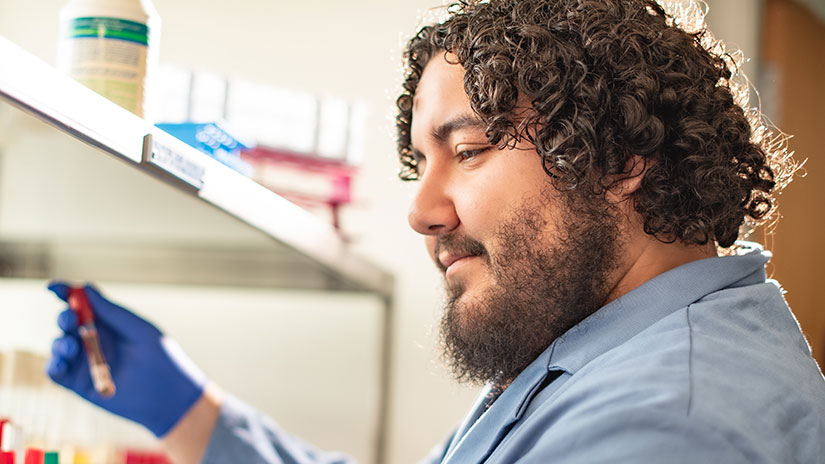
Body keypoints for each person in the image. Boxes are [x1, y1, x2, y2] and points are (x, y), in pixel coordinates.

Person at [47, 0, 825, 463]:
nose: (421, 211)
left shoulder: (666, 422)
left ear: (620, 158)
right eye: (420, 161)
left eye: (471, 150)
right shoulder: (606, 351)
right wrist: (193, 412)